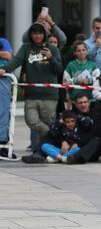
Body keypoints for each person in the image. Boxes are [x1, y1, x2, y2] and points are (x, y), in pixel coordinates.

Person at [0, 22, 62, 162]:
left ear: (44, 34)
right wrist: (5, 69)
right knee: (32, 121)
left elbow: (59, 70)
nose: (37, 36)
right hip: (32, 94)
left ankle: (44, 152)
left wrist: (51, 57)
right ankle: (57, 137)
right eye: (34, 33)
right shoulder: (26, 48)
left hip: (49, 95)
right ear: (31, 35)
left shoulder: (52, 48)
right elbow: (16, 61)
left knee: (48, 123)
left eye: (40, 33)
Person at [65, 93, 101, 164]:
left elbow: (95, 133)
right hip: (75, 145)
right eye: (80, 103)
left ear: (89, 103)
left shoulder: (96, 115)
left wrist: (79, 143)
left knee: (97, 139)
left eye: (85, 102)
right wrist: (63, 141)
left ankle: (76, 157)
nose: (83, 105)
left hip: (92, 148)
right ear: (76, 105)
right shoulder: (73, 115)